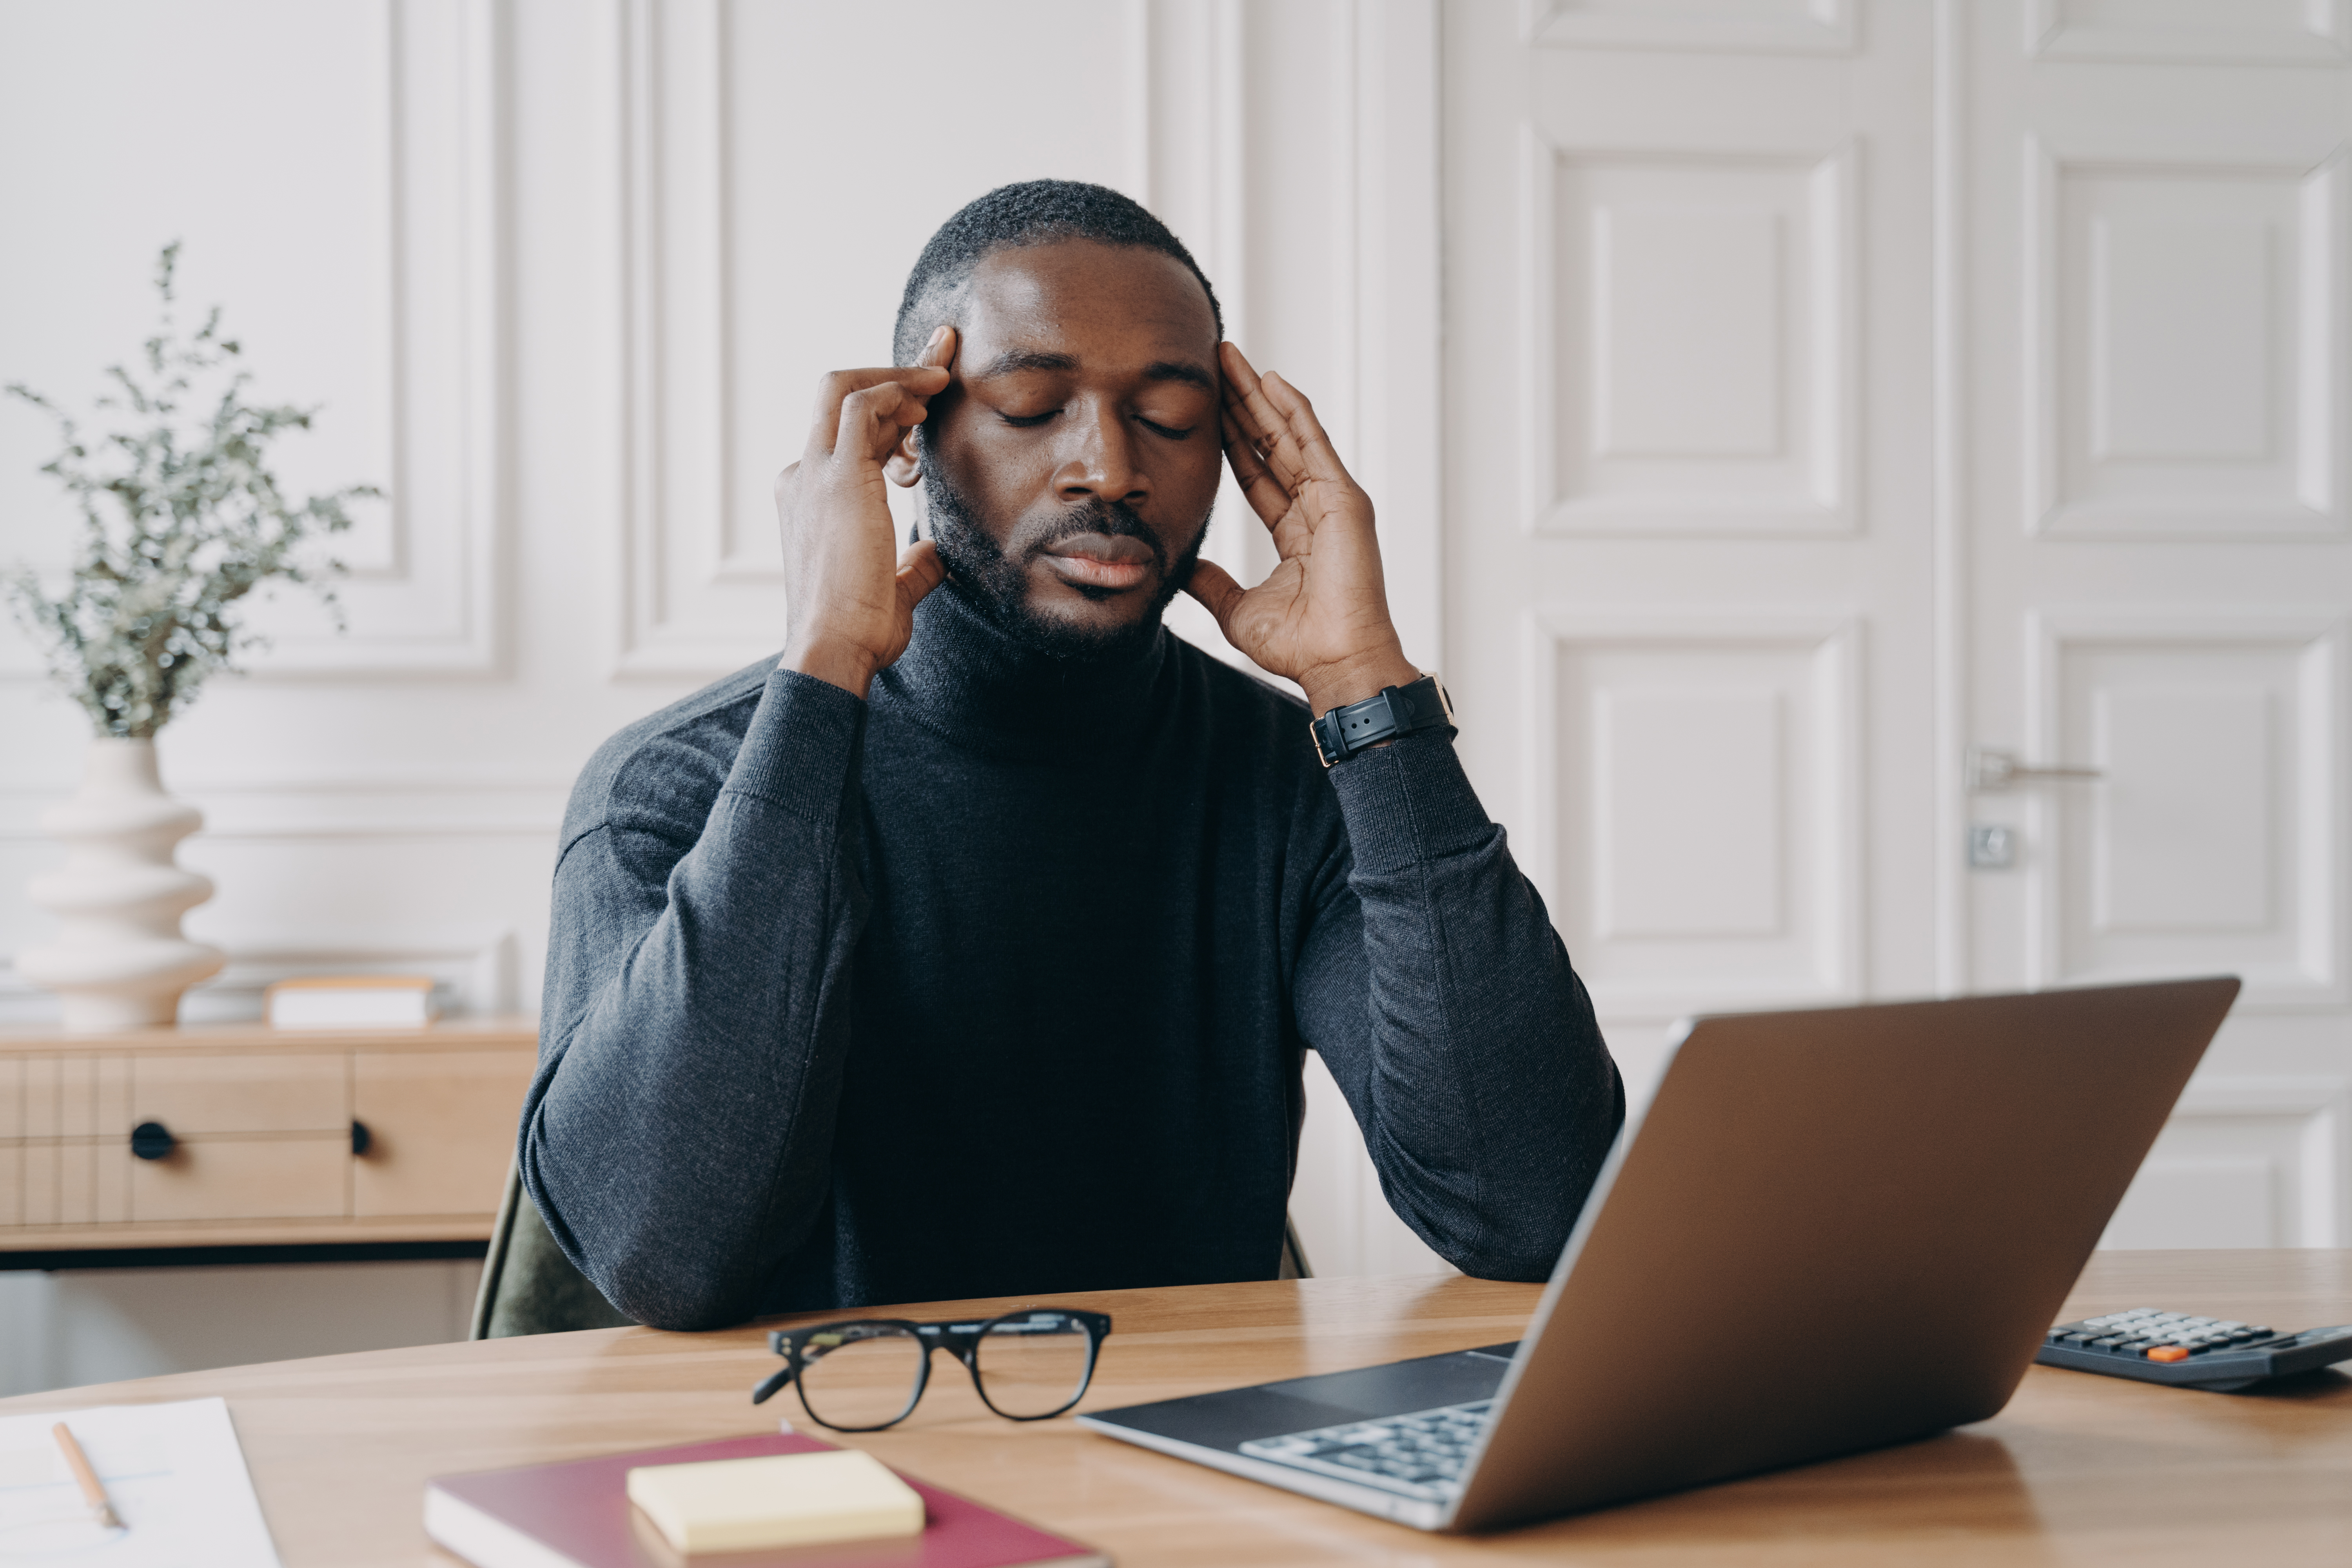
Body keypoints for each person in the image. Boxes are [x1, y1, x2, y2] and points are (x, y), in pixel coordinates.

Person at [523, 180, 1622, 1330]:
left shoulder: (1291, 783)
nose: (1109, 467)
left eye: (1171, 417)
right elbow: (666, 1256)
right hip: (815, 1473)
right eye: (1035, 404)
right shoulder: (674, 789)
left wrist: (1366, 688)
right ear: (905, 443)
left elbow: (1539, 1210)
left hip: (1189, 1474)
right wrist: (822, 673)